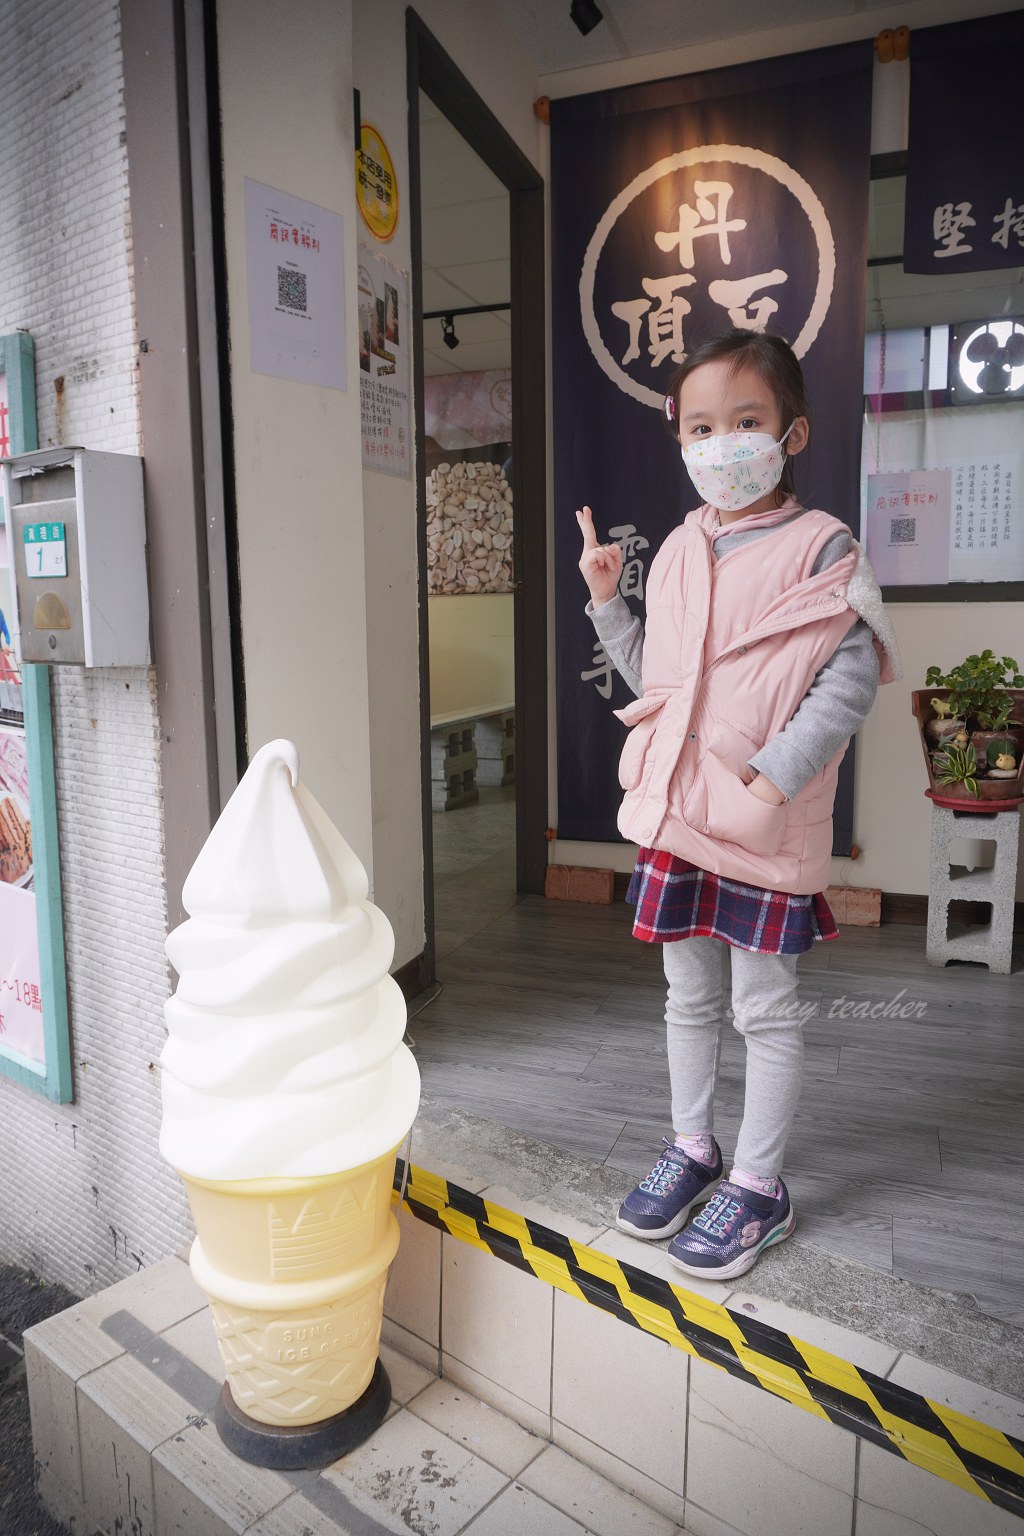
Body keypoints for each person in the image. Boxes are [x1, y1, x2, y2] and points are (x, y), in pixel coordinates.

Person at [575, 328, 900, 1282]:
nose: (724, 445)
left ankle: (759, 1186)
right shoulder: (677, 548)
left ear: (791, 434)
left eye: (746, 422)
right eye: (704, 426)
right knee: (686, 998)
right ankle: (693, 1150)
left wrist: (770, 780)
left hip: (761, 821)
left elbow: (849, 681)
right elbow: (663, 686)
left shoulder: (822, 547)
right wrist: (608, 607)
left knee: (764, 1009)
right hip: (679, 818)